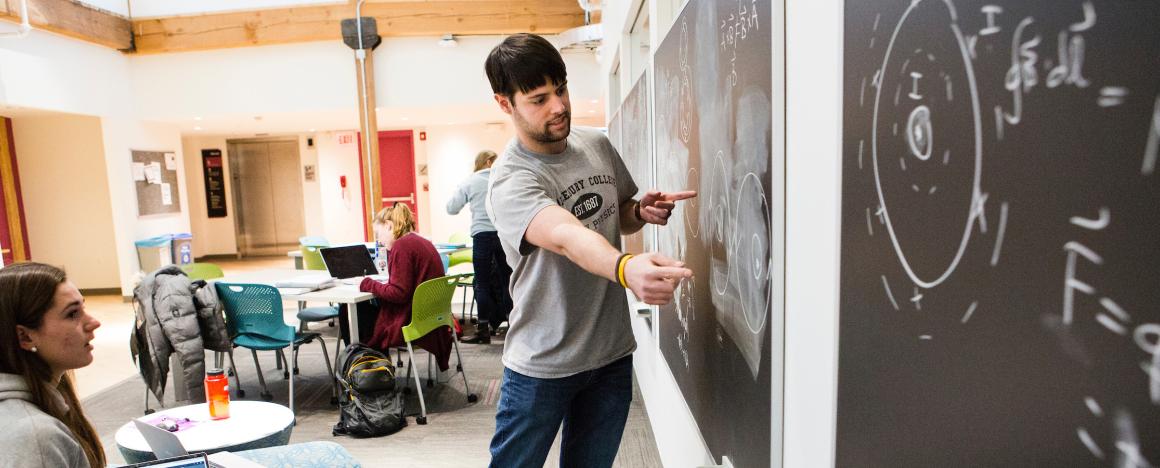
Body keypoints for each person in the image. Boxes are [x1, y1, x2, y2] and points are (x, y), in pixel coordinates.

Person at [483, 33, 696, 467]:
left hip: (611, 354)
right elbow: (567, 235)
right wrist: (625, 268)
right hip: (543, 363)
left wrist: (640, 211)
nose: (558, 106)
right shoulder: (511, 179)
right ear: (505, 104)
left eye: (560, 89)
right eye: (538, 99)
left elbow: (614, 214)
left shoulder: (595, 145)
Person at [0, 262, 105, 468]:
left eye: (83, 307)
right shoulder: (35, 438)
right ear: (25, 336)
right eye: (73, 314)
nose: (93, 322)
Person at [350, 203, 454, 370]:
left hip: (413, 321)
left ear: (389, 226)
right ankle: (375, 369)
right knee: (366, 310)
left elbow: (398, 293)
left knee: (352, 312)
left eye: (378, 234)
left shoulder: (402, 246)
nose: (378, 241)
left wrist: (367, 283)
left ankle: (371, 372)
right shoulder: (421, 241)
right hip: (433, 317)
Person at [446, 149, 514, 344]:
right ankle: (512, 326)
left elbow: (451, 208)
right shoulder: (503, 179)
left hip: (481, 235)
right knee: (507, 280)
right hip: (503, 235)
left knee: (482, 283)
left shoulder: (469, 181)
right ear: (488, 162)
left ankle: (483, 330)